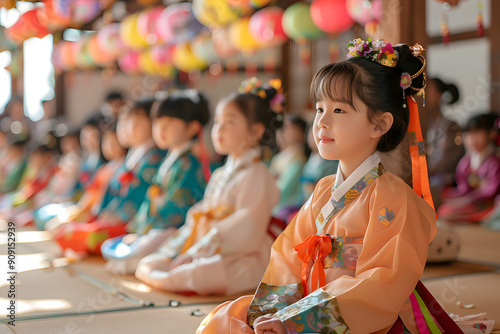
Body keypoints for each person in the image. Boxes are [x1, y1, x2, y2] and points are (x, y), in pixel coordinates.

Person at [197, 39, 468, 334]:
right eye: (319, 108)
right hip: (308, 303)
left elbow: (381, 285)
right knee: (228, 316)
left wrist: (295, 321)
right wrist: (275, 311)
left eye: (339, 111)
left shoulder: (393, 198)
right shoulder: (325, 189)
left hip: (361, 319)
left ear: (379, 125)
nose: (322, 122)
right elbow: (288, 254)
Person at [134, 79, 282, 296]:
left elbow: (247, 225)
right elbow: (200, 214)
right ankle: (169, 273)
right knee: (153, 261)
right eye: (217, 121)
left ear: (256, 131)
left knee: (198, 272)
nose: (219, 129)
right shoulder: (221, 173)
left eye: (229, 122)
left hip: (241, 254)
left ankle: (172, 276)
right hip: (209, 246)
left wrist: (200, 250)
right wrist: (181, 248)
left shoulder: (257, 173)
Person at [101, 90, 210, 274]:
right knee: (117, 246)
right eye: (158, 123)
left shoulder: (189, 163)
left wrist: (144, 232)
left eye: (169, 123)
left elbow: (174, 209)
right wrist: (137, 230)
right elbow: (148, 201)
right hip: (154, 228)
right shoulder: (170, 160)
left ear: (192, 128)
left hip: (174, 229)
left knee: (141, 251)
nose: (161, 129)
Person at [55, 98, 164, 256]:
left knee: (72, 235)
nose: (131, 128)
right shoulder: (132, 157)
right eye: (128, 122)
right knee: (66, 231)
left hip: (129, 223)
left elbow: (140, 195)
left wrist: (114, 216)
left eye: (138, 122)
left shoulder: (154, 158)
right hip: (110, 216)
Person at [438, 113, 500, 223]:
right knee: (442, 207)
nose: (471, 139)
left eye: (477, 133)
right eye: (468, 134)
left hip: (489, 204)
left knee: (448, 213)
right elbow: (463, 188)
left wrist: (466, 200)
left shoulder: (495, 161)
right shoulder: (466, 161)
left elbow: (490, 191)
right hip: (471, 202)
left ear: (492, 134)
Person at [424, 77, 465, 206]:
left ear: (438, 96)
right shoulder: (427, 123)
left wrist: (418, 173)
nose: (422, 94)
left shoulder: (450, 127)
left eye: (427, 90)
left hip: (445, 183)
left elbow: (442, 163)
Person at [270, 114, 308, 216]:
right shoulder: (280, 157)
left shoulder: (298, 160)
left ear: (301, 133)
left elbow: (282, 191)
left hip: (285, 209)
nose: (281, 132)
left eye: (287, 128)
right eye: (280, 128)